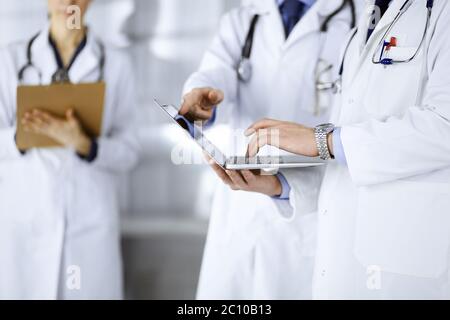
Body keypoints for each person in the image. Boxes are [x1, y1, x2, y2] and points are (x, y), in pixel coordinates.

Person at [242, 0, 450, 299]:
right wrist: (281, 185)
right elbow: (349, 152)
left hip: (406, 272)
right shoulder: (364, 21)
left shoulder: (441, 11)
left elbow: (444, 125)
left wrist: (321, 140)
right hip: (340, 266)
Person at [180, 0, 358, 299]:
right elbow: (213, 75)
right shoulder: (243, 18)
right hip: (238, 215)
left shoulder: (357, 19)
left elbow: (354, 132)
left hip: (307, 217)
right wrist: (201, 101)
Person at [0, 0, 140, 299]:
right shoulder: (9, 61)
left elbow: (129, 151)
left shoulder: (115, 65)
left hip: (90, 231)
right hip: (26, 228)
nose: (69, 2)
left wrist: (84, 144)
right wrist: (25, 135)